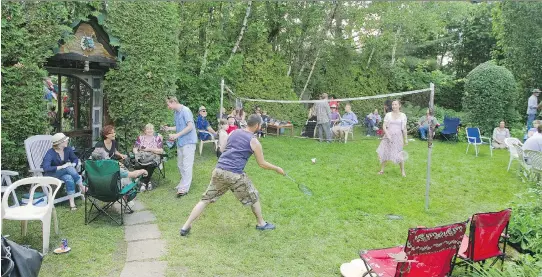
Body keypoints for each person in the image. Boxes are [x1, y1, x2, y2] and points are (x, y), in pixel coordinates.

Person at [179, 114, 285, 236]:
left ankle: (185, 227)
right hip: (235, 175)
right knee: (253, 196)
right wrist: (277, 168)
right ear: (257, 125)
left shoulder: (234, 132)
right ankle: (261, 224)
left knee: (205, 200)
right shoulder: (254, 141)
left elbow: (222, 149)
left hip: (219, 170)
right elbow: (261, 163)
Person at [163, 96, 197, 197]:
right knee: (180, 164)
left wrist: (177, 135)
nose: (167, 107)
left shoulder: (186, 111)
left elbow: (190, 126)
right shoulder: (176, 113)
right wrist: (169, 128)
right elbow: (179, 127)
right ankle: (183, 183)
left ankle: (184, 188)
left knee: (187, 165)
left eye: (168, 104)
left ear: (173, 102)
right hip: (181, 142)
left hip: (189, 141)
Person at [41, 133, 85, 210]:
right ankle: (82, 187)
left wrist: (73, 164)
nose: (67, 141)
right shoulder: (50, 152)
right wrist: (62, 167)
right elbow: (46, 168)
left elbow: (74, 159)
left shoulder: (67, 149)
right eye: (65, 140)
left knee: (69, 177)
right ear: (59, 143)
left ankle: (72, 204)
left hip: (64, 172)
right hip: (51, 174)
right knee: (67, 167)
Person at [377, 100, 408, 177]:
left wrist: (406, 139)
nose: (394, 106)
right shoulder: (388, 115)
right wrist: (387, 135)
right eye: (393, 104)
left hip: (398, 137)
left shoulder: (403, 115)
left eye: (395, 104)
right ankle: (382, 170)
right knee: (385, 152)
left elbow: (404, 128)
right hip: (388, 136)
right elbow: (384, 126)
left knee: (399, 154)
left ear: (399, 105)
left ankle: (402, 171)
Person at [133, 123, 164, 191]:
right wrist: (137, 154)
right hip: (143, 157)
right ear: (145, 130)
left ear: (153, 130)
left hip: (154, 156)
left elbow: (161, 151)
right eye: (148, 129)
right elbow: (135, 148)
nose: (149, 130)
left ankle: (143, 184)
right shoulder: (140, 138)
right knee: (137, 164)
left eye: (151, 129)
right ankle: (148, 181)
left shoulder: (157, 138)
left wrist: (150, 149)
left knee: (151, 165)